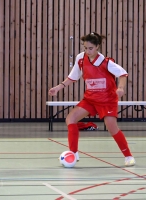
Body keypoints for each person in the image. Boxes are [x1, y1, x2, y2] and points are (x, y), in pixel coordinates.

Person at [49, 32, 135, 166]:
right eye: (85, 48)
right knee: (70, 119)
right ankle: (74, 153)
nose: (87, 51)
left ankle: (128, 156)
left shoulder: (106, 62)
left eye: (90, 48)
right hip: (90, 99)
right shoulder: (80, 59)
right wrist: (58, 87)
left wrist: (121, 88)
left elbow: (123, 73)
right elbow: (73, 77)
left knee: (112, 128)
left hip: (107, 100)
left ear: (97, 47)